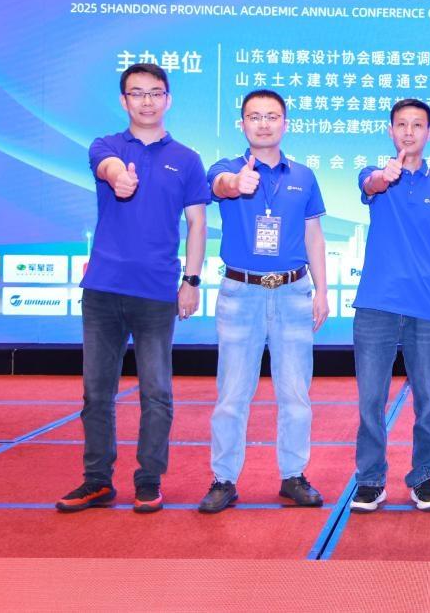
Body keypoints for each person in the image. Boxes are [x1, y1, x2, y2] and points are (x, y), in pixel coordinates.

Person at [56, 63, 207, 514]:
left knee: (156, 393)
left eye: (155, 93)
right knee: (96, 392)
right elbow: (107, 169)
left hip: (157, 291)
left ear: (168, 100)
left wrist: (192, 280)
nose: (147, 101)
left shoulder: (187, 158)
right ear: (124, 101)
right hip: (103, 289)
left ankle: (148, 480)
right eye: (137, 93)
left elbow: (197, 224)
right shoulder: (106, 147)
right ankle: (97, 480)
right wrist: (118, 176)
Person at [197, 89, 330, 513]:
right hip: (242, 293)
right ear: (242, 124)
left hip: (293, 293)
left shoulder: (304, 175)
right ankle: (223, 480)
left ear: (285, 123)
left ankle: (293, 476)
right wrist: (236, 184)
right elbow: (220, 186)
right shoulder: (225, 168)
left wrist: (323, 291)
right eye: (255, 116)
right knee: (232, 394)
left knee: (295, 394)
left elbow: (313, 236)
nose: (264, 124)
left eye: (272, 116)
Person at [348, 99, 430, 513]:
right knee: (371, 400)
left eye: (418, 125)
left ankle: (424, 476)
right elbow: (371, 185)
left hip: (426, 307)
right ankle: (370, 479)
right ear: (390, 131)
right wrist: (384, 176)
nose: (409, 132)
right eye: (402, 124)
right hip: (376, 305)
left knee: (428, 401)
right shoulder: (374, 173)